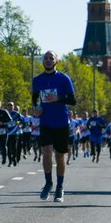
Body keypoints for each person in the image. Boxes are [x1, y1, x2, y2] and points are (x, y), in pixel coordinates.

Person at [33, 50, 76, 203]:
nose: (48, 60)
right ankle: (48, 183)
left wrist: (58, 98)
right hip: (45, 122)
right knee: (46, 152)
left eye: (51, 58)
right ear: (43, 62)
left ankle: (59, 187)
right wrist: (36, 109)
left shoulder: (64, 79)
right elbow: (35, 99)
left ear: (56, 61)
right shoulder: (37, 80)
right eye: (46, 58)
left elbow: (73, 100)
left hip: (61, 123)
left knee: (59, 156)